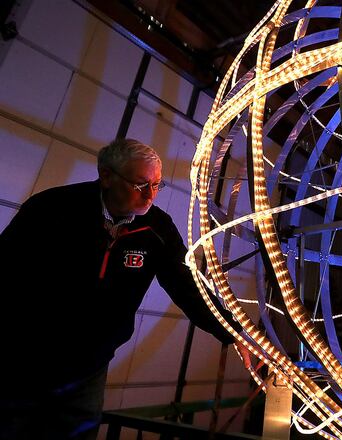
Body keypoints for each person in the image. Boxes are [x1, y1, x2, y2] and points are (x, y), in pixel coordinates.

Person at [0, 139, 248, 440]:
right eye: (140, 184)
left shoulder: (157, 228)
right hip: (24, 360)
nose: (150, 195)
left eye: (157, 185)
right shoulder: (52, 209)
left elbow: (185, 285)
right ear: (106, 176)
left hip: (90, 367)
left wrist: (233, 332)